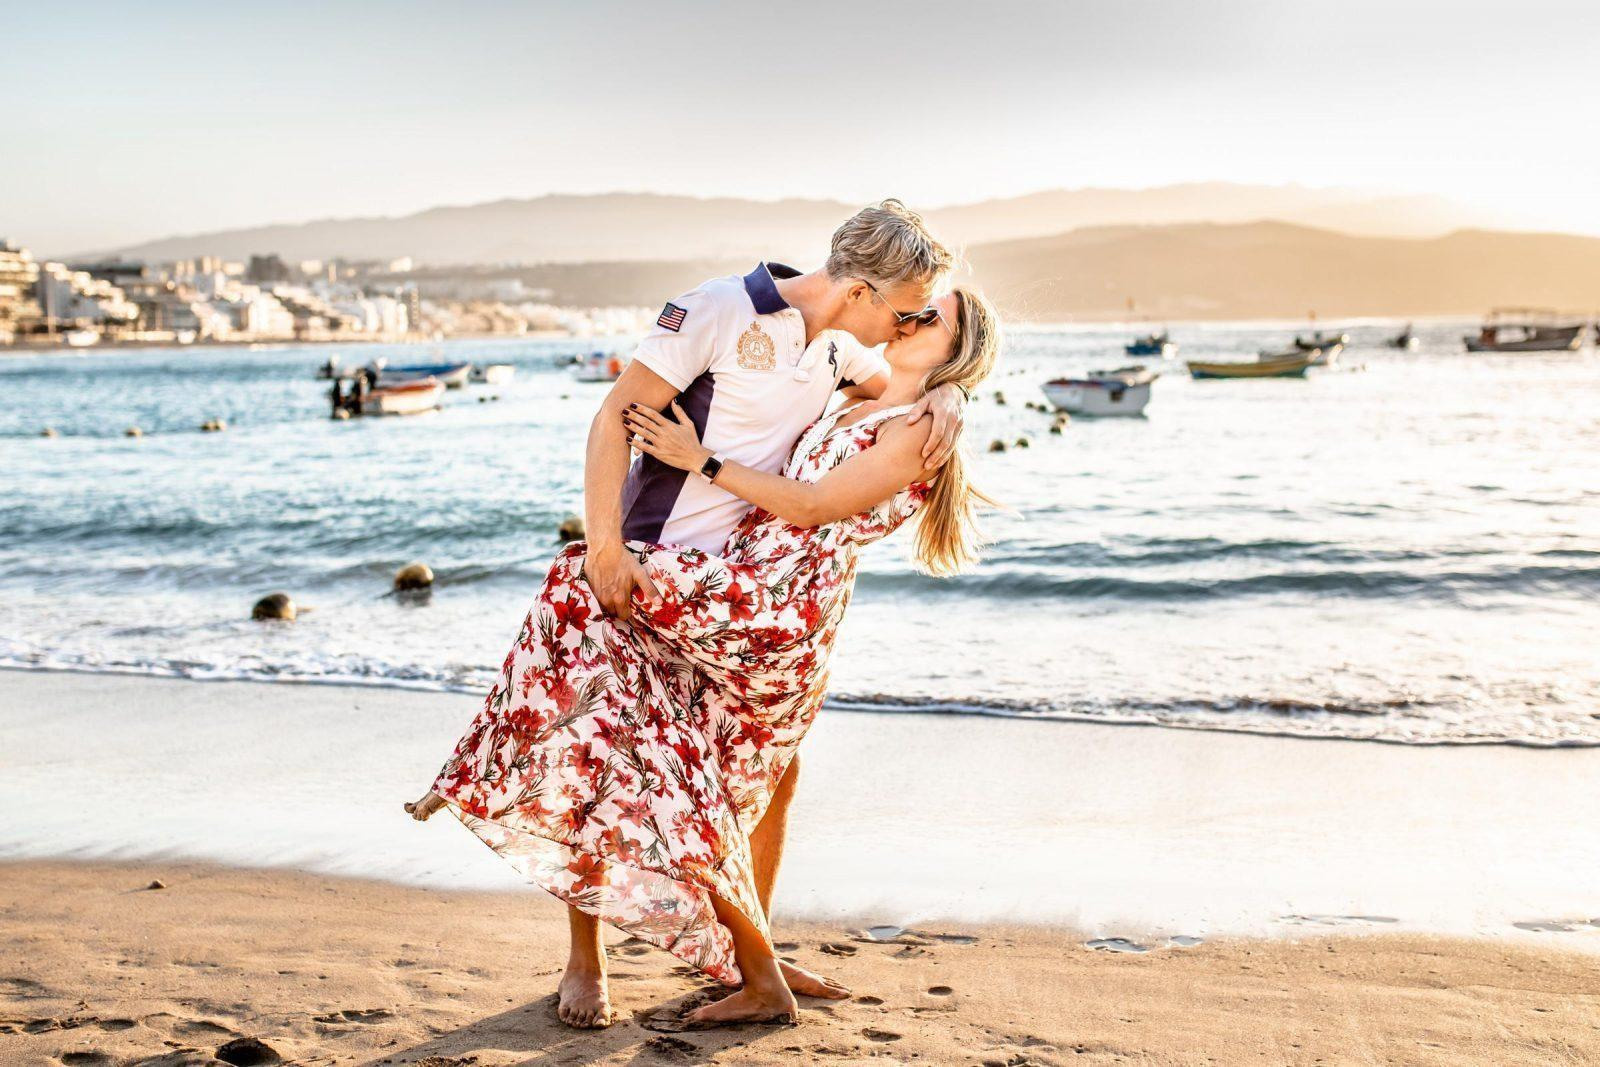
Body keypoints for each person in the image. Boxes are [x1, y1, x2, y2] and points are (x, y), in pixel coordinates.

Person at [405, 202, 986, 1028]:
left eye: (921, 315)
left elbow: (902, 397)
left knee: (765, 772)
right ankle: (588, 956)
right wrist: (604, 544)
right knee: (605, 749)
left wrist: (955, 399)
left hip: (738, 589)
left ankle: (754, 954)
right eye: (906, 309)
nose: (911, 322)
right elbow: (612, 416)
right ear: (862, 290)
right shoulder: (718, 307)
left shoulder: (846, 347)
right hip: (650, 560)